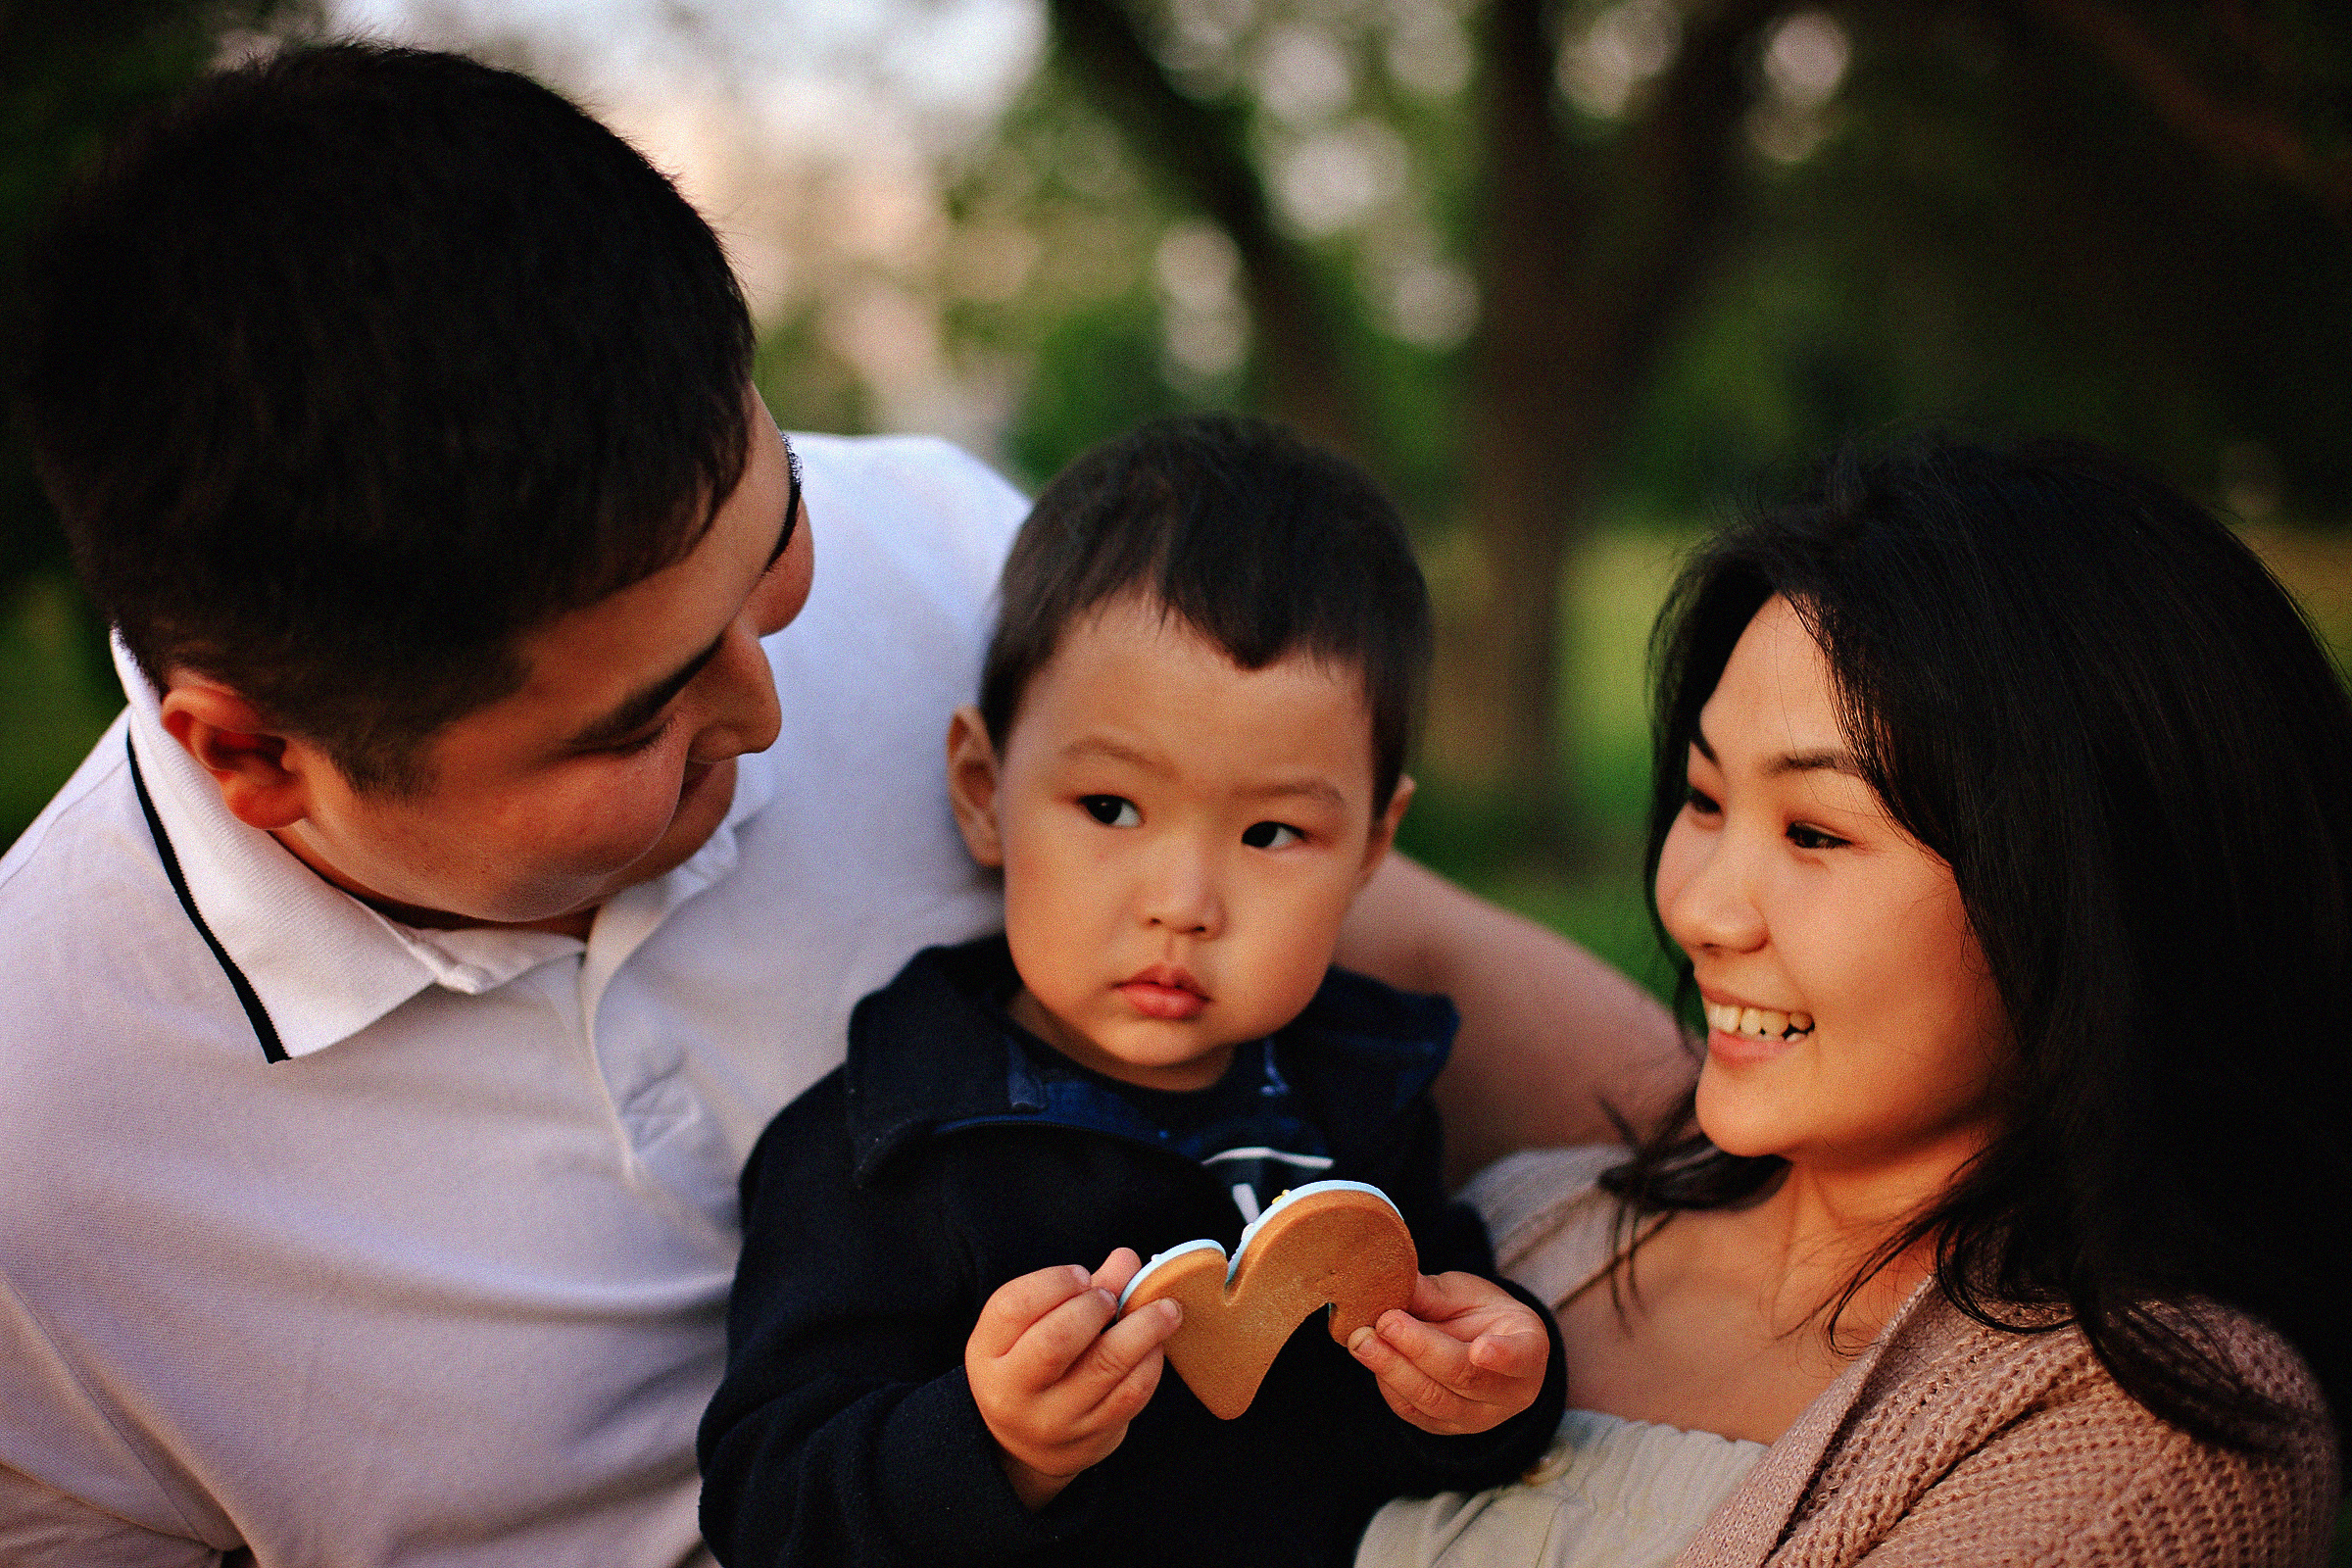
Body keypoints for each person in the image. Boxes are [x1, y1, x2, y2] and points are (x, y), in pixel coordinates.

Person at [0, 42, 1677, 1568]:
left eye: (774, 542)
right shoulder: (42, 1162)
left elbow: (1393, 926)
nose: (771, 705)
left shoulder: (948, 550)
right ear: (256, 757)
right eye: (645, 716)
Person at [1357, 437, 2348, 1568]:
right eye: (1702, 796)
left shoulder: (2153, 1428)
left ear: (2093, 894)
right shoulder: (1528, 1218)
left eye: (1817, 831)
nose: (1703, 912)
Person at [697, 416, 1569, 1568]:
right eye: (1110, 809)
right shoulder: (890, 1141)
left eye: (1271, 831)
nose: (1184, 900)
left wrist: (1492, 1389)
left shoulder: (1360, 1095)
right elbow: (769, 1507)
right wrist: (993, 1441)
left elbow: (1412, 1406)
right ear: (983, 788)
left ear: (1371, 846)